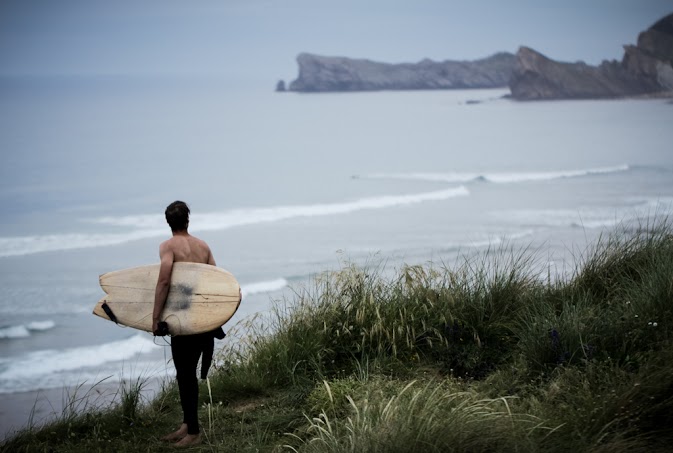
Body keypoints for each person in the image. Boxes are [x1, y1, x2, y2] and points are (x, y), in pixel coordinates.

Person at [152, 200, 221, 447]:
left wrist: (155, 317)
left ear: (168, 222)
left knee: (186, 375)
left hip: (183, 320)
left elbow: (163, 282)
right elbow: (217, 280)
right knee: (185, 375)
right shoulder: (203, 246)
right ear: (187, 220)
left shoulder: (167, 247)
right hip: (203, 318)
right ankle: (186, 424)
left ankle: (194, 433)